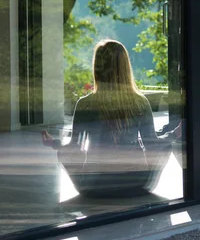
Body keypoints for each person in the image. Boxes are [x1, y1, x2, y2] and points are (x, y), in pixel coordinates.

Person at [41, 39, 181, 198]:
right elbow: (152, 145)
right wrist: (174, 134)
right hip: (136, 182)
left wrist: (55, 143)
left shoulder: (85, 104)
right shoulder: (140, 103)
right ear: (126, 67)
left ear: (97, 68)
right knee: (165, 146)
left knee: (64, 153)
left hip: (95, 184)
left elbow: (74, 149)